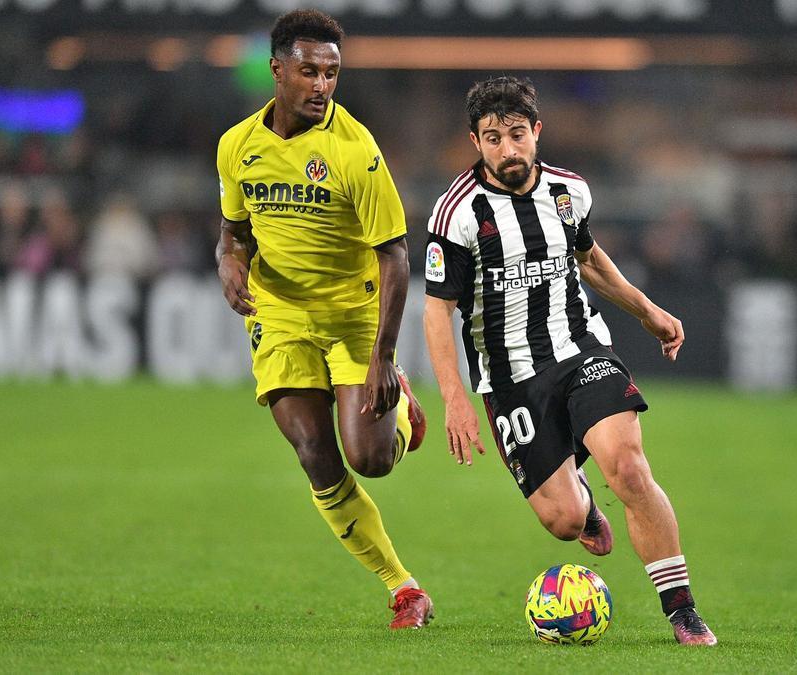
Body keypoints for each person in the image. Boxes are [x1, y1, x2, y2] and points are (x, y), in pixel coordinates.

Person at [422, 76, 717, 646]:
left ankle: (682, 610)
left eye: (515, 134)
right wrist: (455, 399)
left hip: (581, 350)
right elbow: (438, 313)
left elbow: (588, 259)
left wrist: (646, 311)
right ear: (474, 142)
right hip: (508, 380)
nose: (507, 149)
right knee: (561, 521)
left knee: (629, 468)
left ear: (536, 131)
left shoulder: (569, 192)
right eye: (492, 138)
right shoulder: (456, 213)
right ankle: (582, 505)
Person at [214, 10, 433, 628]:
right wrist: (228, 264)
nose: (321, 85)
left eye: (332, 73)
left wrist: (384, 357)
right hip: (280, 313)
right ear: (277, 70)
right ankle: (404, 589)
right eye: (308, 71)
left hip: (355, 315)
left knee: (370, 460)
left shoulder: (355, 150)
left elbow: (395, 256)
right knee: (314, 451)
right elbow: (233, 232)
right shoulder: (237, 146)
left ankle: (398, 411)